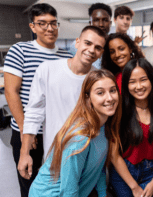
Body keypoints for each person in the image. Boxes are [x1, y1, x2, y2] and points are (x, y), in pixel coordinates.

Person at [18, 26, 107, 180]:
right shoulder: (48, 69)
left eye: (98, 48)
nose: (92, 50)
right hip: (54, 157)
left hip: (85, 158)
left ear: (101, 53)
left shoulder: (98, 80)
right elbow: (34, 113)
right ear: (77, 42)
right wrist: (24, 153)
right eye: (88, 43)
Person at [3, 3, 72, 197]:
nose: (49, 28)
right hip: (27, 133)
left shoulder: (66, 57)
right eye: (42, 24)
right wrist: (27, 131)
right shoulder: (20, 50)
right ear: (33, 27)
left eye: (53, 23)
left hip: (58, 134)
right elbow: (11, 92)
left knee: (57, 183)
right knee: (30, 184)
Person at [28, 69, 122, 197]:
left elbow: (98, 168)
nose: (109, 98)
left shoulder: (105, 127)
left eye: (112, 90)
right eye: (100, 93)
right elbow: (69, 191)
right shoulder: (80, 138)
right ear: (88, 98)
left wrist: (102, 194)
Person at [109, 58, 153, 197]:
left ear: (152, 81)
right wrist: (134, 187)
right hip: (124, 174)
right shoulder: (119, 110)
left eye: (143, 79)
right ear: (125, 85)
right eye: (132, 82)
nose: (139, 86)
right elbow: (113, 154)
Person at [69, 2, 112, 69]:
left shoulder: (113, 45)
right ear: (90, 23)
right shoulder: (77, 45)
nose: (101, 24)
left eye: (105, 20)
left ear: (110, 23)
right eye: (96, 20)